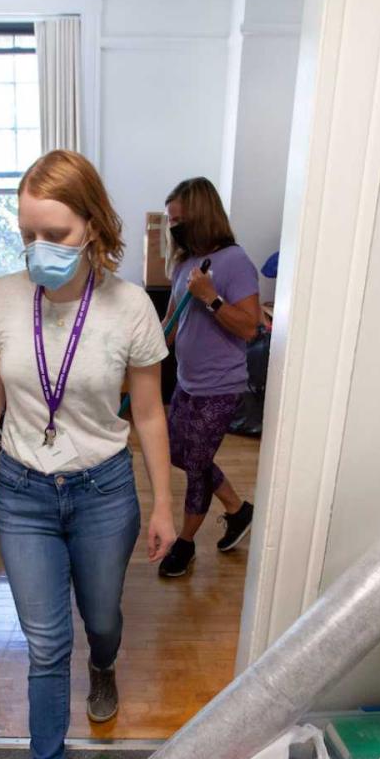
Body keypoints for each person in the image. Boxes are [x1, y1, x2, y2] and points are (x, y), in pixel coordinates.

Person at [0, 150, 176, 759]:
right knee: (45, 641)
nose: (39, 249)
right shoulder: (4, 298)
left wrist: (164, 503)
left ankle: (105, 664)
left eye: (57, 235)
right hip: (22, 493)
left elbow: (151, 415)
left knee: (101, 618)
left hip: (103, 491)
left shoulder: (129, 309)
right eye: (27, 234)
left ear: (94, 227)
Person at [157, 177, 262, 578]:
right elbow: (171, 319)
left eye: (180, 220)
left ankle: (184, 544)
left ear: (201, 217)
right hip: (187, 381)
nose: (175, 228)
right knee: (180, 454)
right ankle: (237, 510)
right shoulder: (185, 263)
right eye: (171, 222)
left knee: (197, 463)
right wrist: (144, 351)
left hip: (219, 387)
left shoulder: (235, 262)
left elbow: (250, 327)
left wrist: (211, 297)